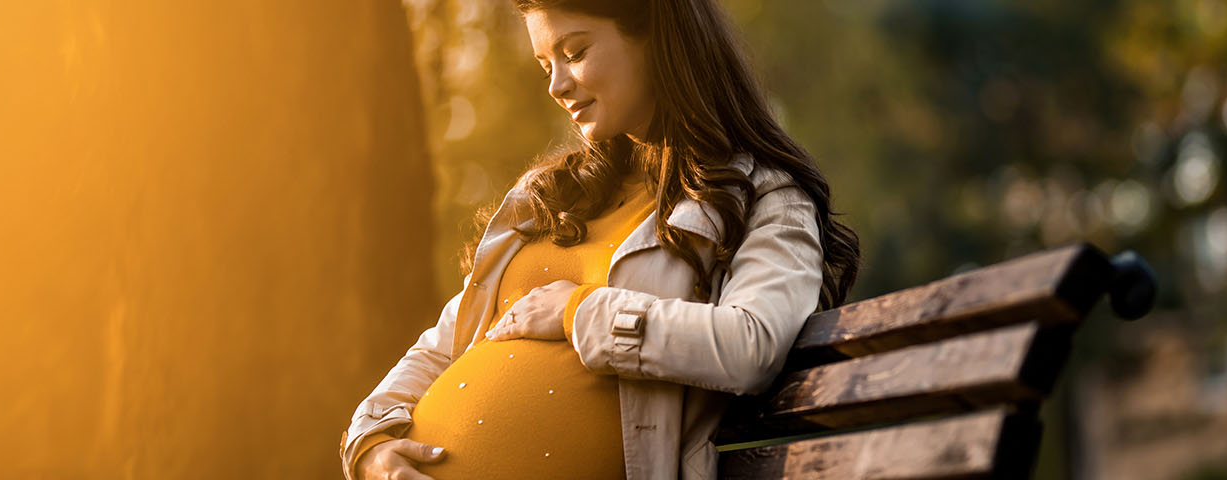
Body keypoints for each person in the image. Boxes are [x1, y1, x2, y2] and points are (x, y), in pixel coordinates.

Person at [339, 0, 860, 478]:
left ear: (657, 36)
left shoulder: (763, 198)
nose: (556, 85)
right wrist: (371, 444)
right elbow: (447, 341)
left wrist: (578, 313)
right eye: (546, 65)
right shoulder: (557, 196)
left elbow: (752, 344)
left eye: (575, 52)